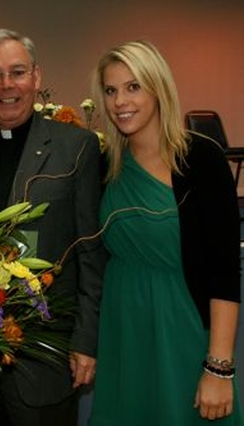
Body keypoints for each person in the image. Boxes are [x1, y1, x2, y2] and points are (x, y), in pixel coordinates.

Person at [0, 28, 106, 425]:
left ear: (36, 77)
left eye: (17, 72)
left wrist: (86, 340)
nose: (6, 85)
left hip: (44, 353)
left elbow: (90, 253)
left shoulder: (76, 147)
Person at [88, 40, 242, 425]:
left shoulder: (201, 160)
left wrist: (219, 368)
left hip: (181, 324)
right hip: (123, 328)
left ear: (159, 89)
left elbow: (225, 272)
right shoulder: (105, 166)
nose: (120, 101)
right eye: (111, 90)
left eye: (133, 87)